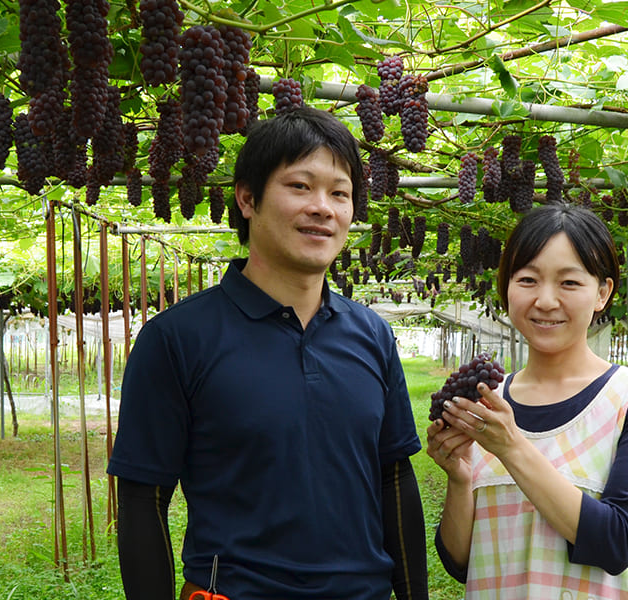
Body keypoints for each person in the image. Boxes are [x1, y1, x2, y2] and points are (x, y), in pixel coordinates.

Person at [108, 107, 428, 600]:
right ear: (247, 199)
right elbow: (142, 499)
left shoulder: (372, 335)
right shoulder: (177, 339)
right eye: (300, 186)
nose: (323, 207)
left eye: (339, 193)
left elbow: (394, 478)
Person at [426, 203, 628, 599]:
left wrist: (511, 447)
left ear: (602, 293)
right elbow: (462, 562)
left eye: (569, 283)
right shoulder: (487, 404)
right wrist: (460, 479)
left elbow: (617, 542)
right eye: (527, 280)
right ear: (506, 287)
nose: (545, 301)